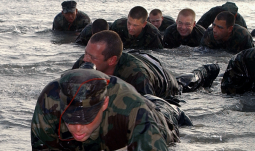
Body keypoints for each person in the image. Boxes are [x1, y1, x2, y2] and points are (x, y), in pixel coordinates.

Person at [30, 68, 184, 151]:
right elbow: (42, 150)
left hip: (162, 115)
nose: (77, 128)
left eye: (86, 119)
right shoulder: (50, 99)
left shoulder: (132, 109)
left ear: (104, 103)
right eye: (70, 119)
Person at [72, 31, 219, 101]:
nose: (85, 59)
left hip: (162, 78)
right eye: (86, 53)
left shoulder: (136, 76)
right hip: (137, 56)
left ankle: (207, 70)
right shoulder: (85, 62)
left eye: (92, 57)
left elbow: (150, 110)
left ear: (111, 61)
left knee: (185, 84)